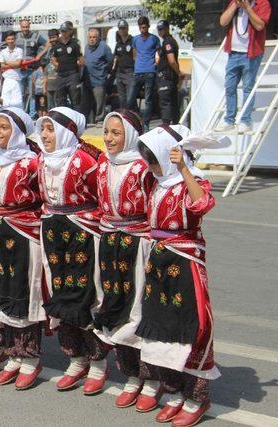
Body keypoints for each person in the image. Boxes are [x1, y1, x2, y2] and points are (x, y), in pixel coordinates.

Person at [136, 125, 227, 426]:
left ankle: (196, 396)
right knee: (160, 324)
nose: (149, 164)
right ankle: (173, 391)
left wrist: (183, 167)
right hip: (157, 259)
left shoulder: (191, 180)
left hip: (184, 259)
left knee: (191, 325)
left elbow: (201, 205)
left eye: (153, 157)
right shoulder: (157, 182)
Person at [35, 107, 107, 394]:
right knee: (60, 293)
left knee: (86, 296)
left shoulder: (85, 161)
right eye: (43, 129)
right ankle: (75, 359)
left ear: (66, 132)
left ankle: (98, 363)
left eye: (51, 130)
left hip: (82, 233)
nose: (45, 135)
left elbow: (101, 195)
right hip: (53, 231)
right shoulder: (41, 159)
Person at [93, 110, 155, 411]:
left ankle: (151, 379)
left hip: (139, 244)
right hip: (110, 242)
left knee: (140, 310)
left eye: (116, 133)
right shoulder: (102, 165)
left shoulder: (145, 168)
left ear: (130, 135)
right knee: (115, 305)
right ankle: (131, 375)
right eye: (106, 131)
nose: (108, 138)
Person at [0, 107, 45, 390]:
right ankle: (12, 353)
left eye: (4, 127)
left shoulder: (31, 163)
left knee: (23, 293)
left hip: (24, 232)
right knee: (2, 289)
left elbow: (44, 197)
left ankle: (30, 357)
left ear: (19, 132)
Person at [217, 0, 271, 133]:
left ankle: (245, 121)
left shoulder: (262, 3)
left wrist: (247, 8)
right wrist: (235, 5)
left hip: (251, 53)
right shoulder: (234, 3)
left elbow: (259, 26)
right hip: (233, 52)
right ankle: (229, 119)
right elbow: (223, 22)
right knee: (229, 86)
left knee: (247, 87)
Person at [127, 17, 160, 132]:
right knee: (130, 99)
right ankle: (136, 120)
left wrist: (155, 65)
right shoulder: (135, 39)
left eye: (144, 27)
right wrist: (138, 64)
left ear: (148, 26)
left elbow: (159, 55)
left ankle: (145, 123)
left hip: (150, 71)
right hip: (138, 71)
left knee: (148, 100)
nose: (142, 30)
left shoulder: (154, 39)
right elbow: (134, 55)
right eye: (141, 27)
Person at [17, 19, 46, 118]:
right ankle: (20, 114)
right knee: (20, 94)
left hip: (32, 70)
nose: (25, 29)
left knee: (32, 94)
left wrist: (39, 56)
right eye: (23, 27)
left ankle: (32, 115)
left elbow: (48, 45)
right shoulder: (16, 37)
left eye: (27, 27)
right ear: (20, 27)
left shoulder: (36, 36)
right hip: (20, 70)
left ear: (29, 26)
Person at [155, 20, 183, 125]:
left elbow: (171, 60)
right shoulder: (167, 41)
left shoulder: (168, 42)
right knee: (173, 103)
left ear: (167, 28)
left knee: (165, 103)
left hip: (166, 77)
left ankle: (167, 126)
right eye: (159, 29)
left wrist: (179, 73)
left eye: (162, 29)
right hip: (169, 77)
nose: (160, 31)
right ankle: (175, 126)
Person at [84, 28, 113, 125]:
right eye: (90, 37)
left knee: (100, 103)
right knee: (87, 103)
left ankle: (100, 120)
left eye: (94, 37)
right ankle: (90, 121)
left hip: (99, 80)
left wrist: (105, 71)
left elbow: (110, 61)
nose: (92, 39)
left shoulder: (104, 47)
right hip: (87, 81)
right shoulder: (86, 47)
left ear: (98, 38)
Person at [53, 21, 84, 110]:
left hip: (72, 75)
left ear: (70, 31)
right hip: (61, 75)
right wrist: (57, 66)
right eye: (62, 31)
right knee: (60, 100)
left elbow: (81, 60)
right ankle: (62, 121)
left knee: (75, 100)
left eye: (65, 31)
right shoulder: (57, 44)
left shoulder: (75, 44)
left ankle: (78, 121)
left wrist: (77, 72)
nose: (63, 33)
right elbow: (54, 58)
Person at [112, 20, 135, 109]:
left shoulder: (132, 41)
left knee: (130, 98)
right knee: (122, 99)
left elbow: (135, 57)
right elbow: (116, 58)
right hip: (120, 73)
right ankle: (123, 117)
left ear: (127, 28)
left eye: (123, 28)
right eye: (120, 28)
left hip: (130, 72)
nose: (122, 30)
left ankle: (132, 117)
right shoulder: (118, 43)